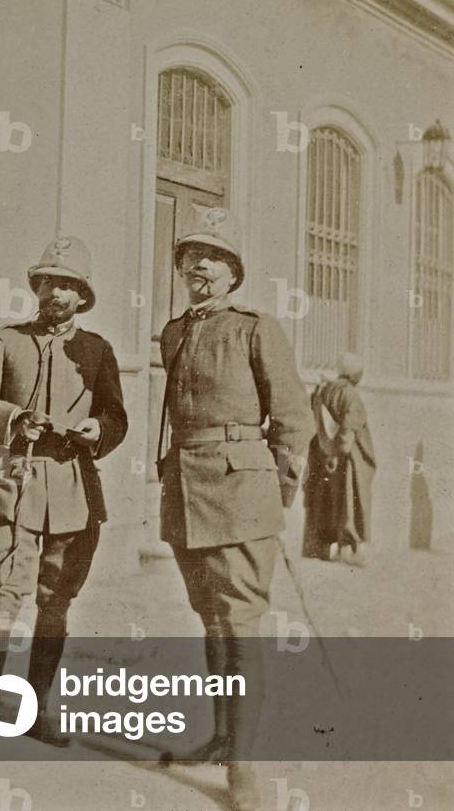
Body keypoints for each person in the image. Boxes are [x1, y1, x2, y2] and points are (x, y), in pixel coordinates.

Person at [0, 235, 128, 765]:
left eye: (67, 285)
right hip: (17, 484)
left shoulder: (97, 350)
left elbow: (116, 417)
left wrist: (100, 430)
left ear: (82, 296)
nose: (55, 293)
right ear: (36, 288)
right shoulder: (6, 340)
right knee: (4, 597)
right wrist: (14, 419)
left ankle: (37, 710)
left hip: (74, 486)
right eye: (47, 282)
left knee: (56, 601)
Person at [157, 207, 313, 811]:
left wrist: (275, 494)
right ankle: (223, 737)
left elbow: (293, 419)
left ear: (232, 273)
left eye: (213, 257)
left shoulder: (256, 328)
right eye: (190, 256)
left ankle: (244, 766)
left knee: (240, 625)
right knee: (213, 620)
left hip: (241, 490)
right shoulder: (174, 331)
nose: (199, 265)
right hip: (186, 489)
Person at [302, 353, 375, 565]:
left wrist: (328, 451)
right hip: (346, 458)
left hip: (322, 453)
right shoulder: (350, 394)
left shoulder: (324, 390)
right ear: (355, 374)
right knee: (349, 502)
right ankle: (349, 549)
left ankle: (322, 547)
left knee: (323, 500)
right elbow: (348, 429)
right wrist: (337, 453)